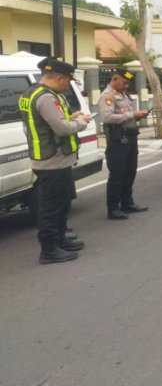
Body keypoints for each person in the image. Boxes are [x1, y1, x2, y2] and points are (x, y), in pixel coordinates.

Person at [19, 58, 92, 264]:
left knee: (61, 204)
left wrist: (71, 115)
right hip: (52, 161)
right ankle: (49, 250)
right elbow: (61, 128)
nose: (68, 84)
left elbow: (49, 121)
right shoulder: (46, 98)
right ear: (59, 78)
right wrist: (79, 122)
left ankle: (59, 240)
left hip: (52, 159)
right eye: (68, 80)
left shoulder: (33, 93)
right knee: (51, 208)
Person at [99, 68, 150, 220]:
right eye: (124, 82)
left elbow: (125, 115)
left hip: (130, 137)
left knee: (130, 172)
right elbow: (107, 117)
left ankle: (127, 203)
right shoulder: (107, 96)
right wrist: (133, 115)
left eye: (128, 83)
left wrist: (137, 116)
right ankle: (113, 208)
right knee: (117, 174)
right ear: (115, 79)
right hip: (118, 140)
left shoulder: (123, 94)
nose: (126, 86)